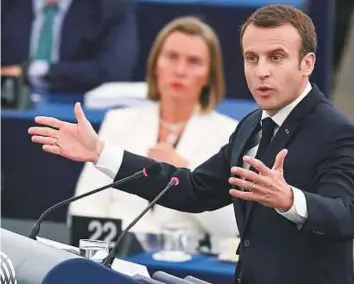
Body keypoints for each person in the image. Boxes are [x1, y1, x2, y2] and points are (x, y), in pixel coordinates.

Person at [28, 5, 354, 284]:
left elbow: (345, 215)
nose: (261, 71)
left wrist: (289, 200)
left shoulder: (336, 131)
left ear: (307, 64)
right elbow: (193, 189)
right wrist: (101, 152)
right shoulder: (252, 126)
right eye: (251, 58)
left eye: (276, 57)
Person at [68, 16, 239, 254]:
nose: (180, 70)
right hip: (117, 262)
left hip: (184, 267)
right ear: (155, 63)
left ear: (210, 75)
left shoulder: (229, 134)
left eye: (194, 61)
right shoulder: (119, 121)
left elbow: (233, 227)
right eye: (171, 57)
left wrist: (185, 171)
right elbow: (84, 206)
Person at [1, 0, 138, 93]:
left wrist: (33, 71)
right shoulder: (7, 6)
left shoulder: (110, 7)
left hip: (78, 112)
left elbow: (113, 72)